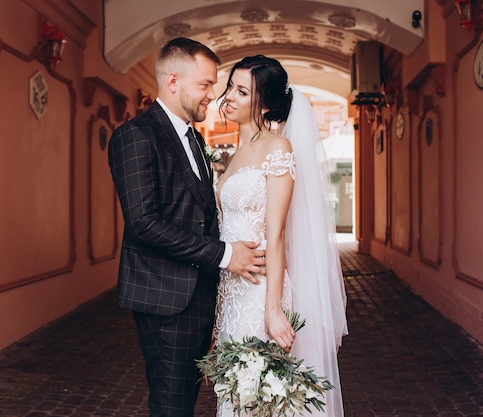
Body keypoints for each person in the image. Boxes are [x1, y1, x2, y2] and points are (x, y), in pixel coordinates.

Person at [107, 38, 266, 417]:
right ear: (173, 81)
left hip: (198, 293)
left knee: (183, 399)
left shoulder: (193, 137)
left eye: (214, 85)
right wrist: (226, 255)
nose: (214, 94)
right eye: (206, 84)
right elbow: (145, 223)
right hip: (164, 295)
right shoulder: (135, 136)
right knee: (172, 402)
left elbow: (200, 212)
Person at [213, 55, 349, 416]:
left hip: (261, 294)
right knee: (237, 400)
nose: (230, 96)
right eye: (230, 86)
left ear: (267, 104)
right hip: (231, 295)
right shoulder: (237, 154)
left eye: (243, 91)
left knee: (263, 403)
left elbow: (276, 234)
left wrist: (273, 311)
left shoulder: (278, 149)